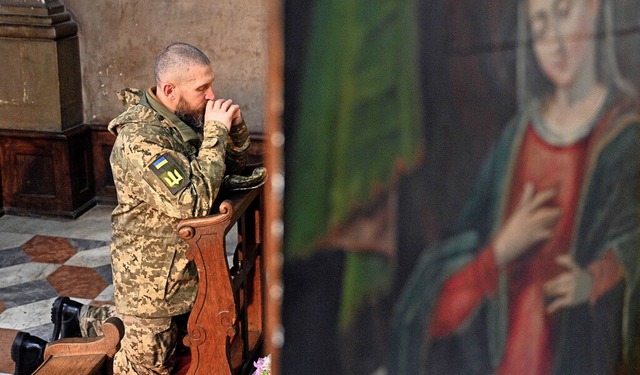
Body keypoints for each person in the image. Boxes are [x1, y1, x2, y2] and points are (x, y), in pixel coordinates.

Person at [392, 0, 640, 374]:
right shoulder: (516, 140)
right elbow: (442, 307)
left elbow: (634, 243)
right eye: (540, 25)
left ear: (592, 9)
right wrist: (501, 249)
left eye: (563, 13)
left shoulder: (625, 137)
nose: (554, 40)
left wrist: (592, 281)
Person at [11, 42, 251, 374]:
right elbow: (193, 202)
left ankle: (75, 315)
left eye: (211, 85)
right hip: (152, 287)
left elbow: (235, 172)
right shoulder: (142, 140)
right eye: (202, 88)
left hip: (184, 274)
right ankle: (36, 354)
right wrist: (215, 135)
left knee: (184, 341)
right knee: (147, 369)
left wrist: (233, 129)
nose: (212, 95)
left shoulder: (183, 120)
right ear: (169, 90)